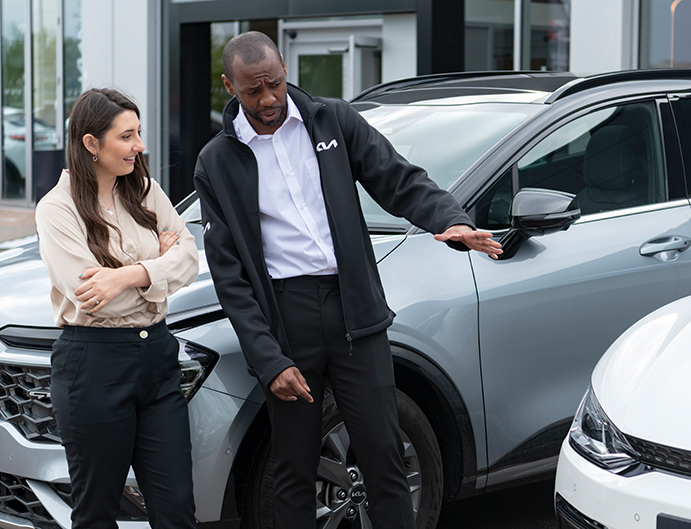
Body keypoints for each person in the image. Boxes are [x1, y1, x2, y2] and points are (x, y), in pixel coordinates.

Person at [193, 31, 501, 529]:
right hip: (288, 321)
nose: (267, 99)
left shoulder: (331, 119)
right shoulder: (215, 162)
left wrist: (451, 219)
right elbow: (229, 275)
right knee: (291, 465)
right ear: (230, 85)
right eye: (252, 91)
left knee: (383, 453)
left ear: (285, 69)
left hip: (355, 310)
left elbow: (397, 178)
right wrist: (269, 359)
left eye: (273, 83)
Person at [35, 88, 200, 529]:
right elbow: (88, 294)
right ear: (91, 143)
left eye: (139, 133)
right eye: (127, 136)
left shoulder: (146, 191)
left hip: (158, 359)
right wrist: (159, 269)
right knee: (97, 512)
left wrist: (127, 274)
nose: (140, 146)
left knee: (178, 509)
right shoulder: (57, 208)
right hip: (93, 364)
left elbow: (190, 259)